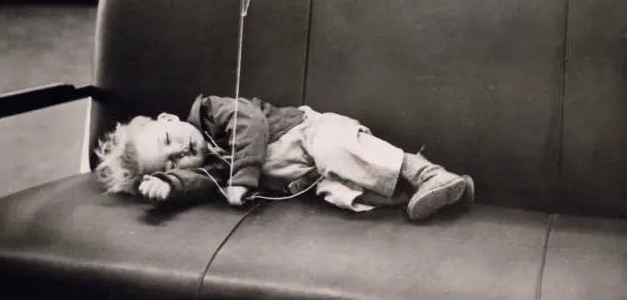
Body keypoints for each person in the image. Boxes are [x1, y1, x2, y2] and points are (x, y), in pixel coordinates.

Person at [95, 94, 475, 221]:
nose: (179, 151)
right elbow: (198, 182)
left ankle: (427, 172)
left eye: (167, 140)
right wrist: (169, 184)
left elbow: (251, 125)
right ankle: (445, 195)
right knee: (348, 195)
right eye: (170, 162)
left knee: (335, 149)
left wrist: (243, 178)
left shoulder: (212, 110)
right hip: (310, 176)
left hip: (309, 133)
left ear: (169, 119)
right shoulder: (210, 168)